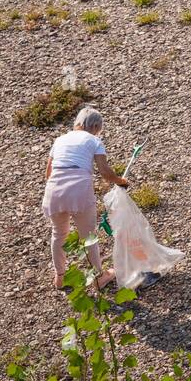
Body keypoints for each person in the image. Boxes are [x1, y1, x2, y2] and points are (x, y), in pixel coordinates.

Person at [42, 106, 130, 290]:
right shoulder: (94, 140)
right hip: (79, 190)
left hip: (54, 190)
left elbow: (48, 173)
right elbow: (105, 172)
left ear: (78, 122)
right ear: (95, 126)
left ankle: (60, 277)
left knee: (58, 234)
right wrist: (121, 181)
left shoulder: (59, 140)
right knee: (88, 237)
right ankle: (98, 278)